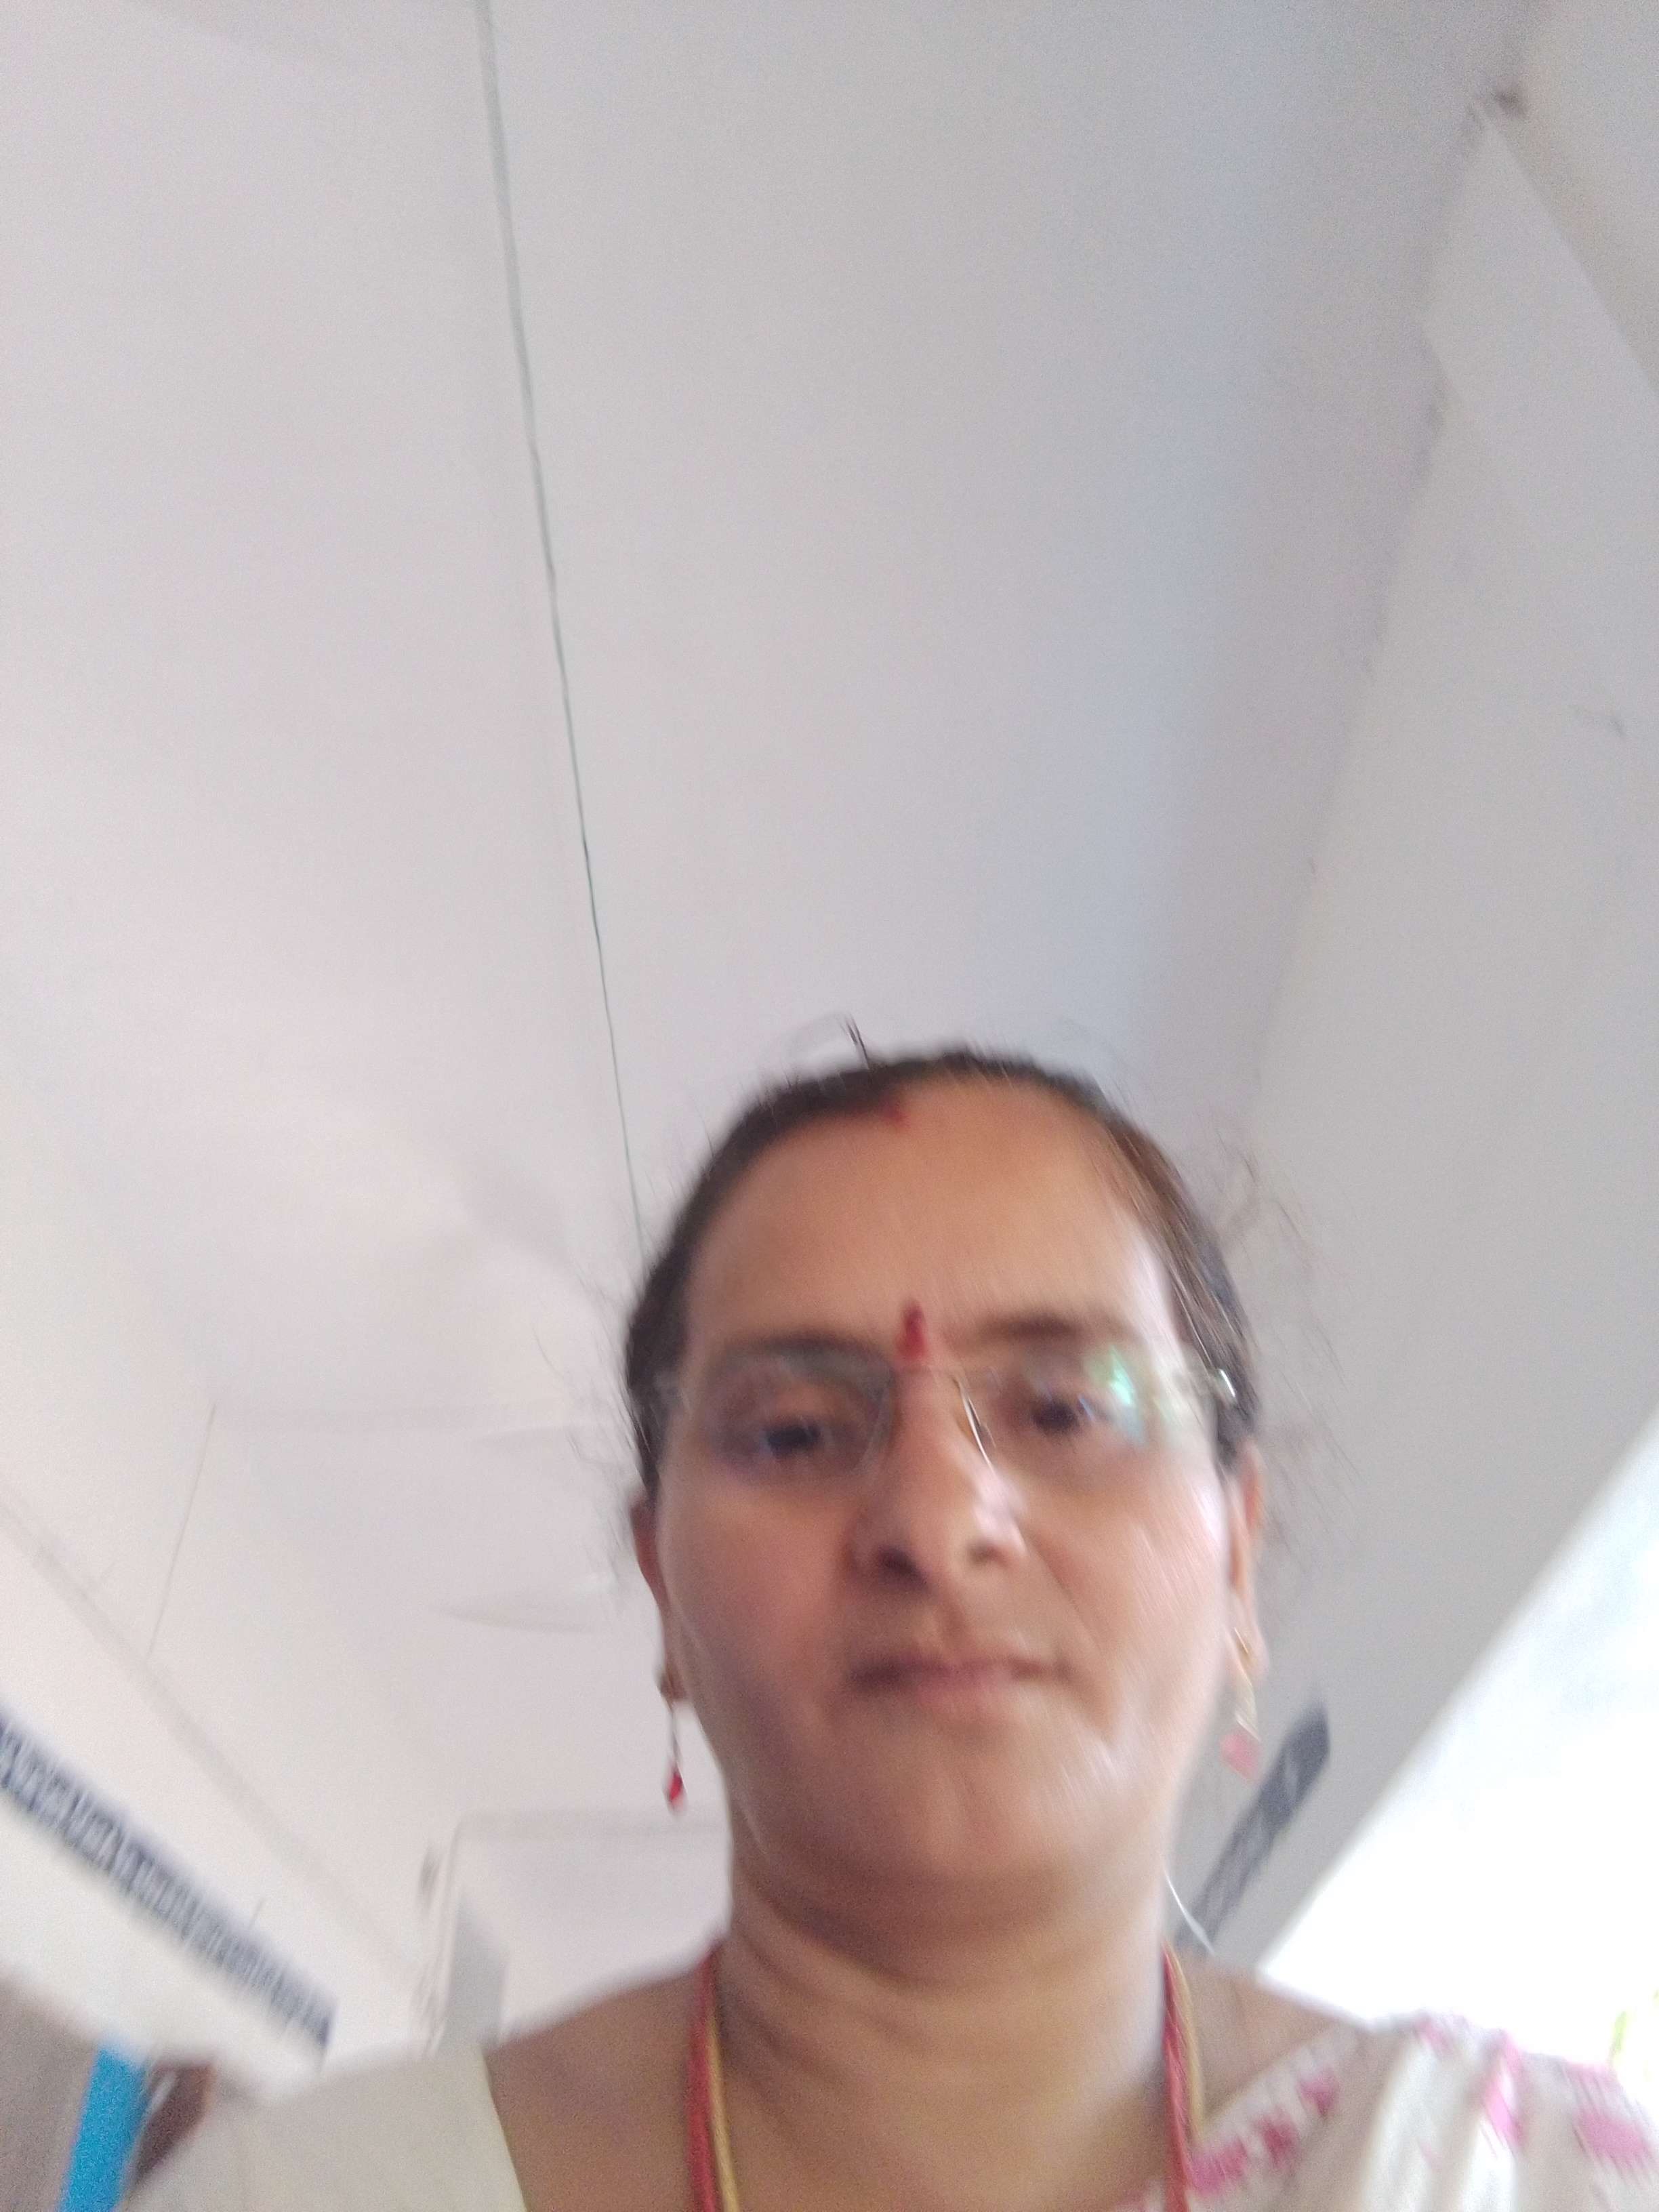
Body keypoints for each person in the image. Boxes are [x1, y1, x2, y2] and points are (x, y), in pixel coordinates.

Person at [134, 1048, 1658, 2210]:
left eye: (1067, 1409)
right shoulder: (305, 2194)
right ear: (663, 1588)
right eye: (796, 1431)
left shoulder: (1523, 2179)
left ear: (1238, 1554)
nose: (935, 1519)